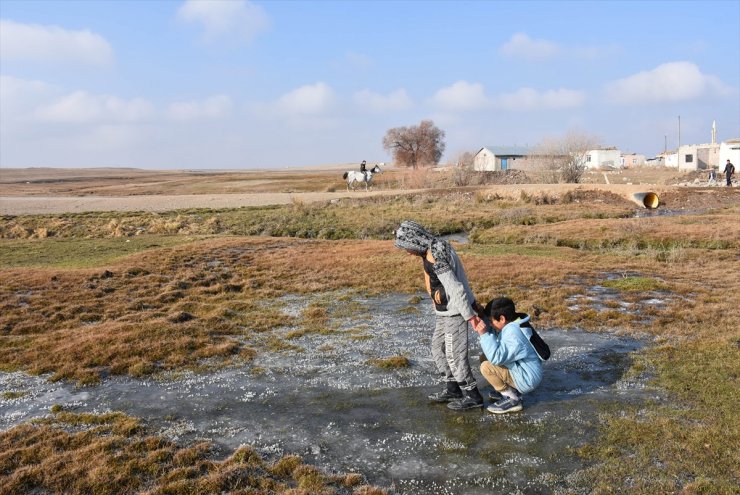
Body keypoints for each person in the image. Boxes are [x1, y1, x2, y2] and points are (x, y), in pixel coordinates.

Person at [394, 220, 486, 411]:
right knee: (438, 349)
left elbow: (456, 286)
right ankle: (453, 388)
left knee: (454, 355)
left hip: (455, 312)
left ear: (414, 240)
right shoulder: (429, 249)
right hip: (443, 311)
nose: (407, 252)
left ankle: (473, 396)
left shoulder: (437, 253)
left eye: (406, 247)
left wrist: (471, 315)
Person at [473, 297, 543, 414]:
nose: (490, 324)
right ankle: (511, 389)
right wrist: (482, 315)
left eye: (491, 321)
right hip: (523, 370)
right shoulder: (513, 324)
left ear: (502, 318)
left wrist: (484, 335)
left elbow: (496, 358)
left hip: (527, 379)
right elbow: (496, 332)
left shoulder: (513, 334)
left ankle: (512, 398)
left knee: (486, 366)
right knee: (484, 357)